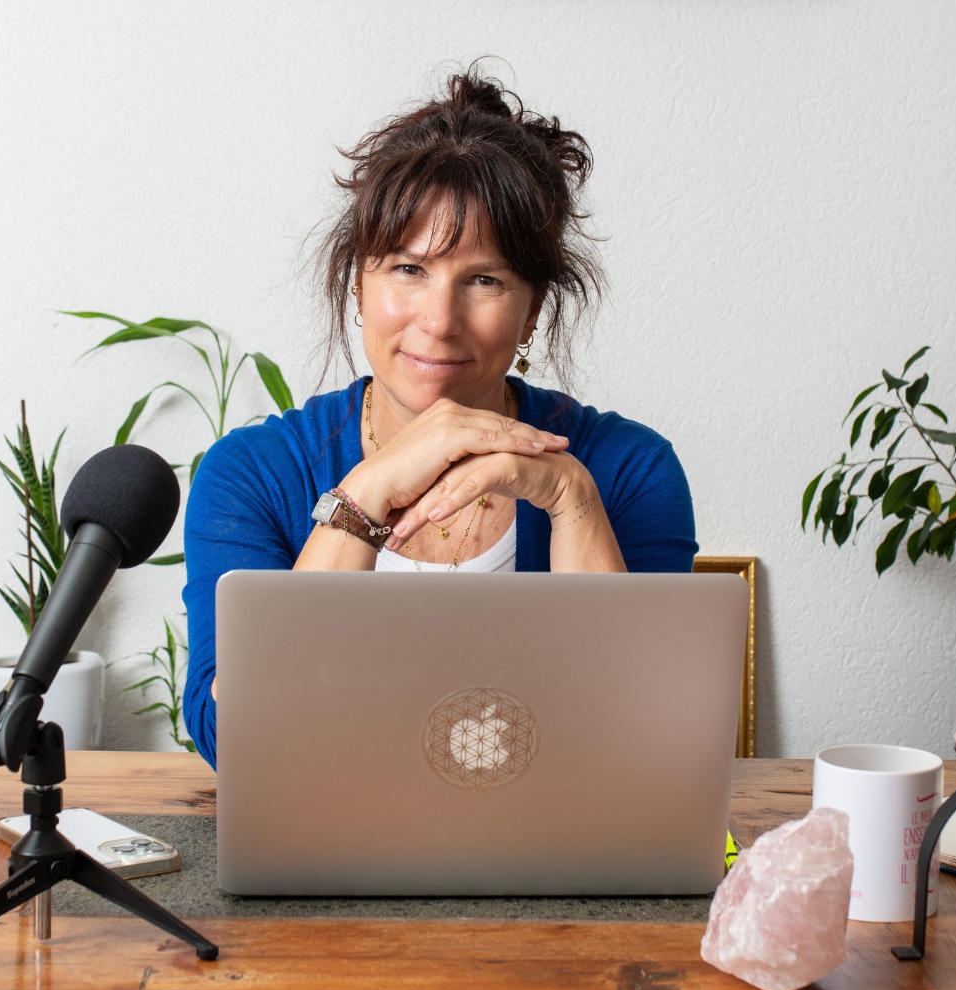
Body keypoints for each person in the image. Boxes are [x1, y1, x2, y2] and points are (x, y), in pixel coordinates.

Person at [182, 70, 696, 769]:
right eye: (408, 270)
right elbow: (243, 746)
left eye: (484, 280)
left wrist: (575, 504)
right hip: (332, 859)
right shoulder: (250, 475)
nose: (439, 322)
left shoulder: (630, 469)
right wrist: (361, 498)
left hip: (555, 861)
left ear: (532, 310)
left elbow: (650, 747)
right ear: (359, 282)